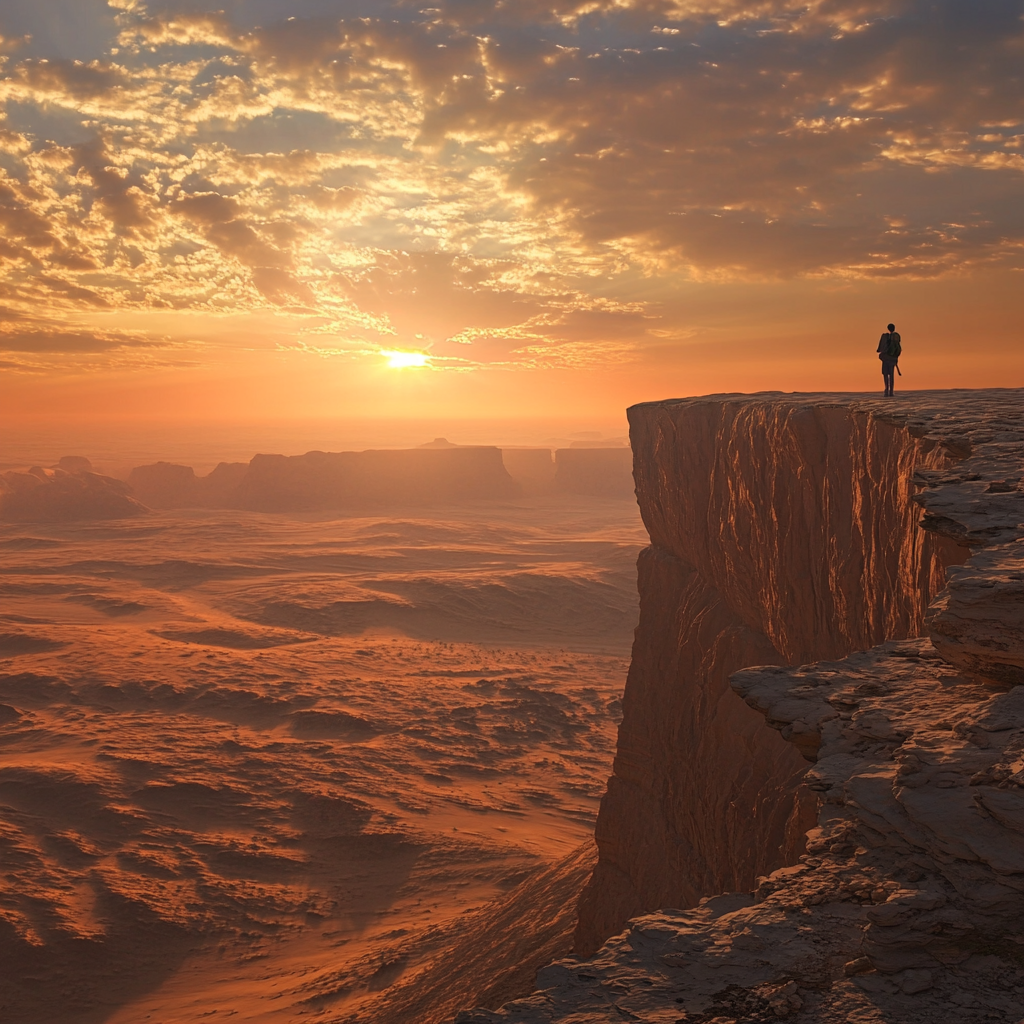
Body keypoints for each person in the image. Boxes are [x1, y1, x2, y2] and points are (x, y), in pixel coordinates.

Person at [877, 323, 901, 396]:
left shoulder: (885, 336)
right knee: (891, 375)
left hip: (886, 358)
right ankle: (891, 391)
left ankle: (886, 389)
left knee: (885, 374)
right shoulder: (896, 337)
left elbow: (879, 349)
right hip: (893, 358)